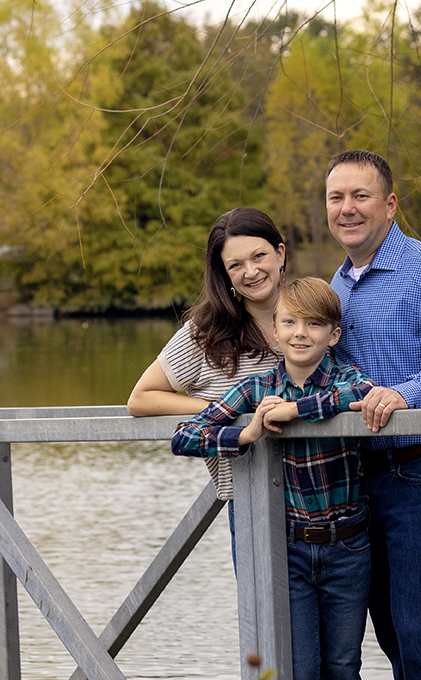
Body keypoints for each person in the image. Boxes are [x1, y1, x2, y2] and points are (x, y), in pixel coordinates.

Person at [325, 149, 421, 680]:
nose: (347, 208)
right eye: (336, 197)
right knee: (392, 634)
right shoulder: (337, 286)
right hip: (361, 480)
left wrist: (405, 395)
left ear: (389, 205)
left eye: (360, 196)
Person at [171, 277, 370, 680]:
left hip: (348, 547)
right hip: (288, 550)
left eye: (314, 324)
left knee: (344, 666)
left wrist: (296, 410)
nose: (300, 333)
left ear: (333, 335)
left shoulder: (345, 377)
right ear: (275, 332)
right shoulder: (256, 388)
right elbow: (185, 436)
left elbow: (361, 395)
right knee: (300, 667)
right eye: (290, 322)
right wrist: (245, 435)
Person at [127, 207, 287, 543]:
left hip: (333, 502)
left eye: (259, 256)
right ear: (224, 274)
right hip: (251, 506)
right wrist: (219, 406)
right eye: (236, 265)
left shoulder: (314, 313)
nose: (252, 271)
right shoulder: (206, 332)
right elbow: (140, 399)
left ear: (280, 253)